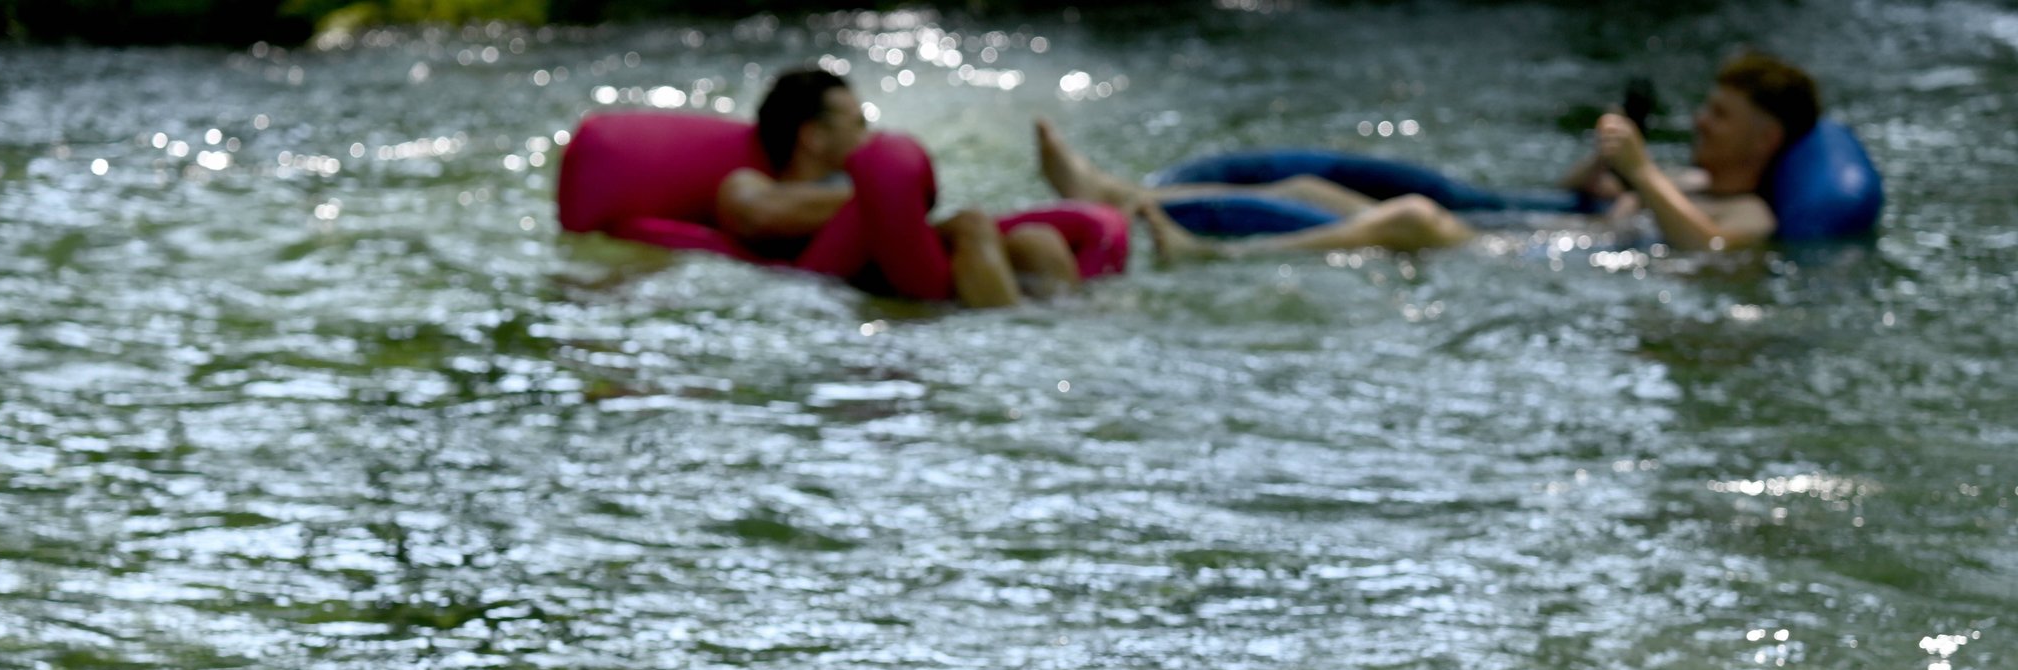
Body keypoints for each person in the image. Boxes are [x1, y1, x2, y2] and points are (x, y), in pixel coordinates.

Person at [1036, 51, 1819, 260]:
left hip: (1528, 267)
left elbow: (1709, 246)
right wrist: (1608, 166)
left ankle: (1215, 256)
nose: (1704, 123)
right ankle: (1115, 192)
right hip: (1523, 236)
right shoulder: (1684, 178)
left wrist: (1644, 174)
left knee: (1409, 214)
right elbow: (1583, 199)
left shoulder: (1746, 210)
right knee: (1311, 180)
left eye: (1722, 115)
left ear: (1765, 139)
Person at [717, 68, 1080, 307]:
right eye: (858, 122)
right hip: (844, 280)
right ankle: (1017, 344)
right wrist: (888, 195)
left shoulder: (863, 181)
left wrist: (894, 197)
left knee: (1037, 241)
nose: (869, 134)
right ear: (812, 136)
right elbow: (755, 213)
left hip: (905, 262)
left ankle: (1076, 335)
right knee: (971, 225)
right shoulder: (750, 183)